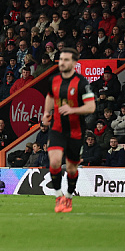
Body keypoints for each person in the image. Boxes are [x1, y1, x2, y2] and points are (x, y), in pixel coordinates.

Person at [40, 48, 95, 213]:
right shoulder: (53, 80)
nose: (62, 62)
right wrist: (46, 113)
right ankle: (58, 196)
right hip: (56, 128)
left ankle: (69, 198)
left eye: (66, 60)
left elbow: (91, 107)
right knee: (55, 162)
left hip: (75, 131)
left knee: (71, 168)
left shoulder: (82, 83)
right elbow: (50, 96)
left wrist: (73, 110)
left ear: (74, 63)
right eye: (61, 59)